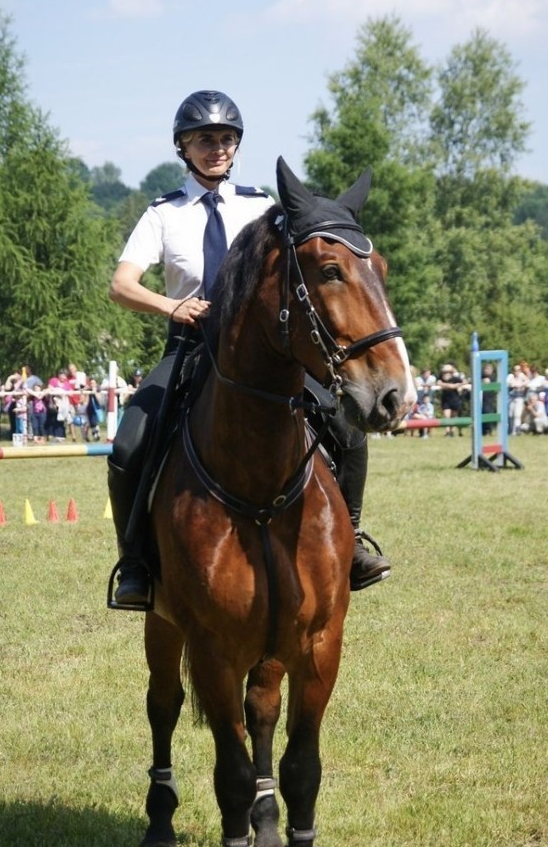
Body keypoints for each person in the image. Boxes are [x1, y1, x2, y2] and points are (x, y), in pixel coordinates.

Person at [106, 89, 391, 609]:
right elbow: (122, 285)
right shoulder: (163, 214)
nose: (218, 148)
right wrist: (171, 307)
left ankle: (351, 545)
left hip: (264, 351)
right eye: (205, 139)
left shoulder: (265, 207)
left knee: (347, 431)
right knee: (129, 444)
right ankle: (137, 563)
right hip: (190, 346)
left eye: (227, 138)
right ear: (183, 147)